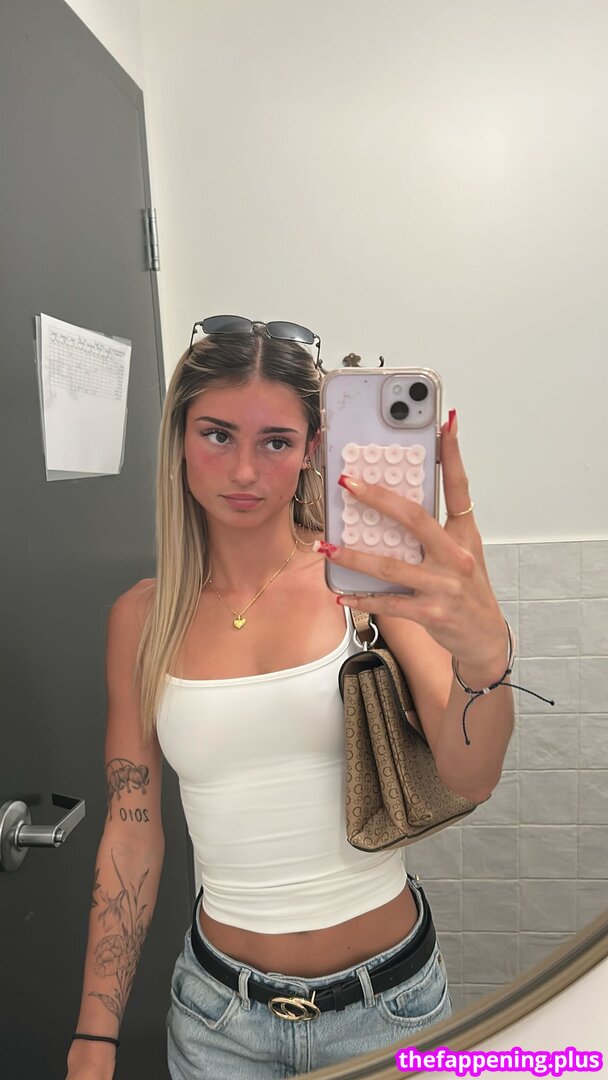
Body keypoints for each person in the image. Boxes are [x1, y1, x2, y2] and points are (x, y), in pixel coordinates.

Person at [65, 317, 514, 1080]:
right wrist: (95, 1033)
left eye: (275, 441)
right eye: (217, 434)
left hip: (388, 1009)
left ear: (312, 448)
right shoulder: (141, 619)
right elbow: (132, 829)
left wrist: (485, 660)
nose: (244, 470)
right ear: (179, 438)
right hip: (219, 1021)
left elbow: (471, 776)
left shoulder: (367, 584)